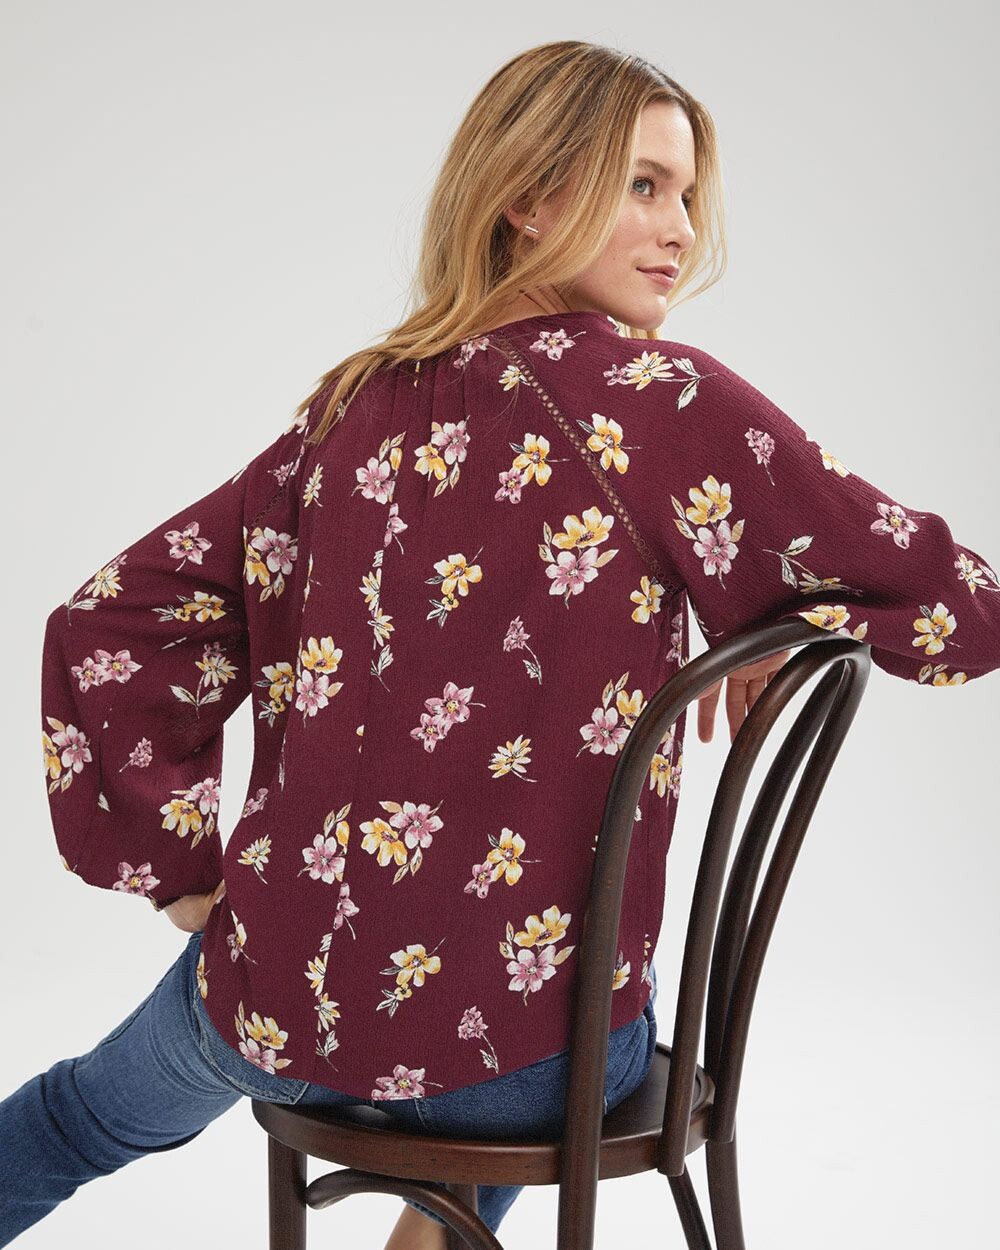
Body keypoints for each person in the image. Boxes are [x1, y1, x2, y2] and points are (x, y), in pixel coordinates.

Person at [5, 38, 999, 1250]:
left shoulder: (345, 411)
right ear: (528, 197)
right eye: (643, 185)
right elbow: (961, 604)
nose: (680, 229)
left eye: (687, 194)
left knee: (73, 1116)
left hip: (278, 1015)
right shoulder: (661, 401)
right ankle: (446, 1220)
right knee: (521, 1023)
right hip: (526, 1061)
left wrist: (181, 875)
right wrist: (795, 621)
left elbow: (110, 621)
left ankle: (432, 1216)